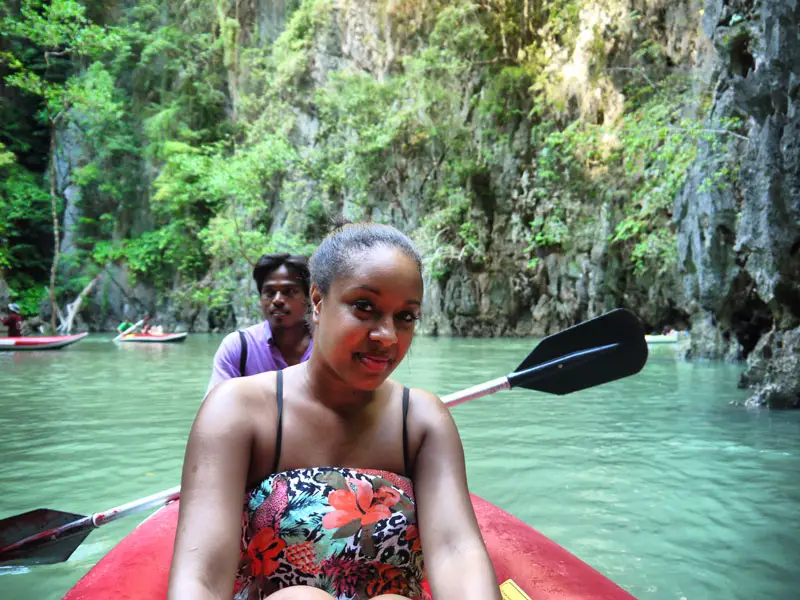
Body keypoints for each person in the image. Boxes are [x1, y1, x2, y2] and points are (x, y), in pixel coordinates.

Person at [168, 222, 500, 600]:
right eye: (364, 307)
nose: (387, 336)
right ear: (319, 300)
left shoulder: (423, 419)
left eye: (405, 317)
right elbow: (202, 575)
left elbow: (457, 552)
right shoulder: (237, 410)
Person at [205, 254, 313, 397]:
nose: (278, 300)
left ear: (310, 298)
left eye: (290, 292)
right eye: (270, 293)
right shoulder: (239, 347)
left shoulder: (329, 346)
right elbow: (215, 408)